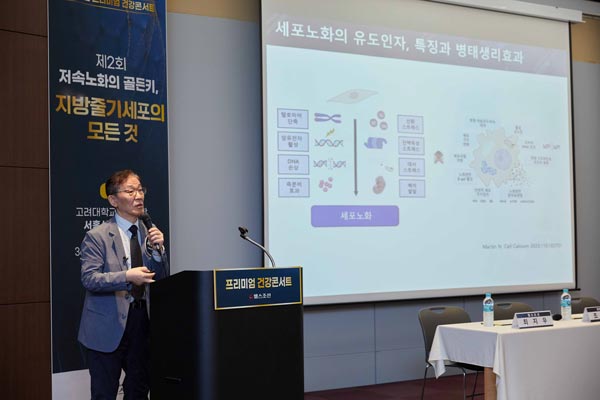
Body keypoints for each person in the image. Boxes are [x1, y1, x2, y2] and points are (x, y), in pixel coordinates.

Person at [78, 169, 167, 399]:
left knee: (139, 391)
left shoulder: (149, 232)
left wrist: (159, 254)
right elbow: (90, 278)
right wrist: (126, 276)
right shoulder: (97, 236)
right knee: (104, 393)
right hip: (107, 326)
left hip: (141, 323)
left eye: (140, 190)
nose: (139, 196)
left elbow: (160, 278)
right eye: (130, 191)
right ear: (113, 200)